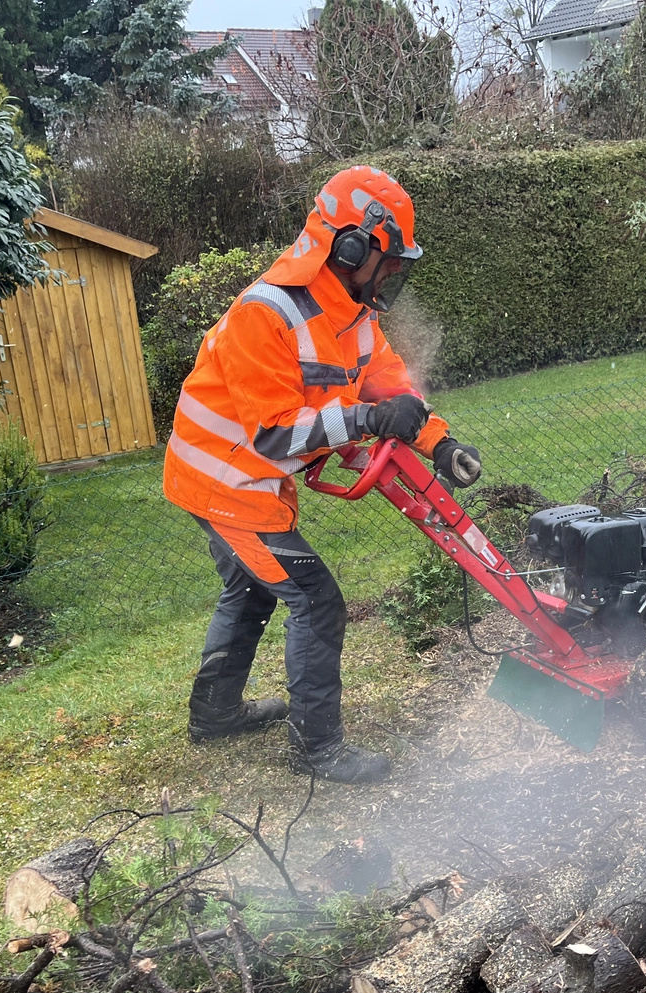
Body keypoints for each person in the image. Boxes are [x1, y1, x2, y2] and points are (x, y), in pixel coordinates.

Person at [162, 166, 483, 785]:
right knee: (316, 600)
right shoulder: (267, 315)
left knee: (250, 590)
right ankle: (318, 750)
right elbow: (276, 435)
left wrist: (438, 443)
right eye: (388, 261)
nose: (394, 273)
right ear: (351, 245)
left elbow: (391, 386)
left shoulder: (351, 315)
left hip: (250, 483)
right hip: (226, 486)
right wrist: (365, 418)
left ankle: (215, 714)